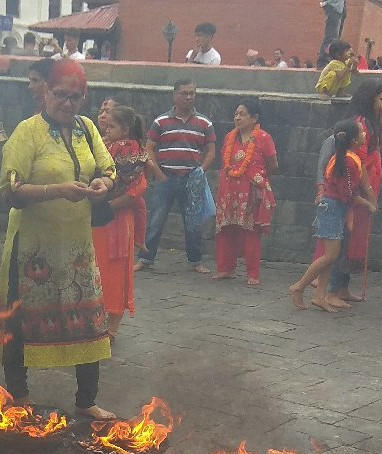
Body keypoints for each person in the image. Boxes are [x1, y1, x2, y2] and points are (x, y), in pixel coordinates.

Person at [0, 58, 116, 420]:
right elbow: (10, 189)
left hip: (77, 247)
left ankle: (86, 399)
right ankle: (19, 394)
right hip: (34, 248)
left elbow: (108, 168)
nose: (67, 104)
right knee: (21, 321)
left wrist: (102, 185)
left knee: (89, 320)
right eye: (60, 95)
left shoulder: (87, 129)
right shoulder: (27, 132)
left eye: (75, 98)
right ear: (45, 92)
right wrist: (57, 189)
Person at [288, 119, 375, 311]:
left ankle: (320, 295)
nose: (364, 135)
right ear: (353, 139)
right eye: (361, 133)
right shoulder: (349, 161)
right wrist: (367, 203)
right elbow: (349, 193)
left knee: (331, 255)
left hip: (333, 208)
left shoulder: (344, 158)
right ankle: (299, 286)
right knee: (330, 255)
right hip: (333, 209)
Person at [136, 79, 217, 273]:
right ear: (175, 95)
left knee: (193, 222)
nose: (188, 97)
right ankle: (145, 259)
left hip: (192, 179)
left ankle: (196, 260)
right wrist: (158, 173)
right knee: (155, 220)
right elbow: (148, 148)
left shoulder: (204, 123)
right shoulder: (161, 121)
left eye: (191, 93)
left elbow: (211, 151)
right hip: (166, 177)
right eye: (184, 93)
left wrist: (200, 172)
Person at [327, 79, 382, 308]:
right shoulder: (360, 123)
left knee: (353, 240)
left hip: (362, 191)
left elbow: (374, 150)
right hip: (356, 193)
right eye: (381, 99)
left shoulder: (370, 122)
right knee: (345, 240)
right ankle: (332, 289)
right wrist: (370, 194)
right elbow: (360, 163)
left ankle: (341, 287)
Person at [93, 104, 147, 339]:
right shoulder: (107, 144)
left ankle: (111, 326)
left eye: (112, 124)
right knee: (100, 268)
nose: (106, 123)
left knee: (113, 270)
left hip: (115, 217)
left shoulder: (126, 149)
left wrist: (109, 205)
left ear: (124, 129)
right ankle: (99, 320)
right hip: (103, 216)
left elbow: (136, 186)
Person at [214, 97, 277, 285]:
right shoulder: (229, 137)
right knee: (226, 229)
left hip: (250, 190)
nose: (237, 118)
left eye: (242, 114)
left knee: (251, 231)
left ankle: (252, 274)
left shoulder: (263, 138)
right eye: (236, 114)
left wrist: (256, 176)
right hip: (229, 189)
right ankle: (226, 269)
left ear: (254, 117)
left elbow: (273, 164)